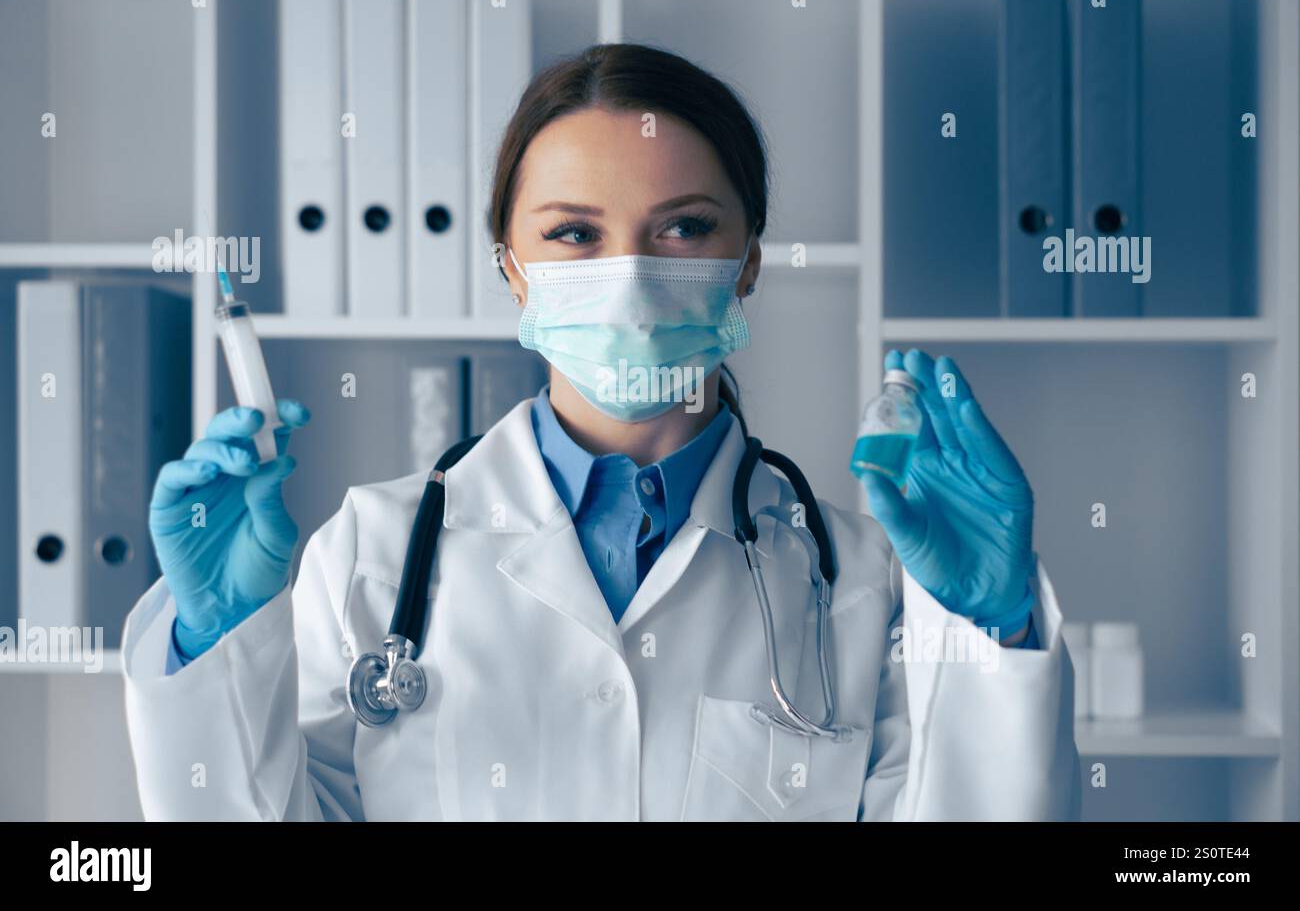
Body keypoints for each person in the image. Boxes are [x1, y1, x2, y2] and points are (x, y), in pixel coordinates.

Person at [124, 43, 1079, 821]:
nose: (626, 276)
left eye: (683, 228)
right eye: (574, 234)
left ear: (748, 261)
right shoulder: (371, 558)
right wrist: (212, 642)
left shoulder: (859, 578)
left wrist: (994, 634)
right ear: (511, 267)